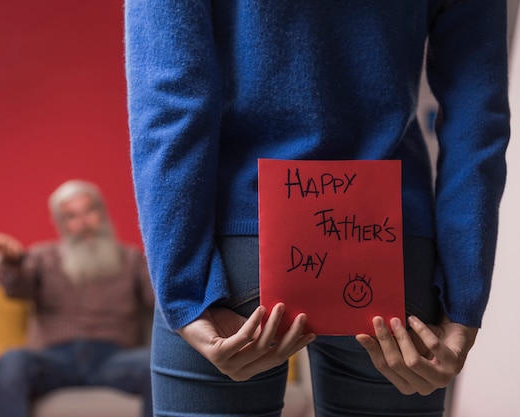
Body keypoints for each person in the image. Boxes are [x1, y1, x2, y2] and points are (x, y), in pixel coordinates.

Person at [124, 1, 510, 417]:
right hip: (390, 254)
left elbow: (171, 96)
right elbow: (478, 112)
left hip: (233, 255)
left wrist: (185, 290)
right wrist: (463, 304)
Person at [0, 179, 155, 417]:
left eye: (89, 211)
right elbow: (16, 290)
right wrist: (13, 262)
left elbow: (160, 302)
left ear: (102, 213)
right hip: (54, 359)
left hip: (114, 358)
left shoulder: (132, 259)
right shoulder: (42, 257)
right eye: (71, 217)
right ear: (61, 224)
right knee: (12, 361)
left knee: (155, 366)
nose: (82, 223)